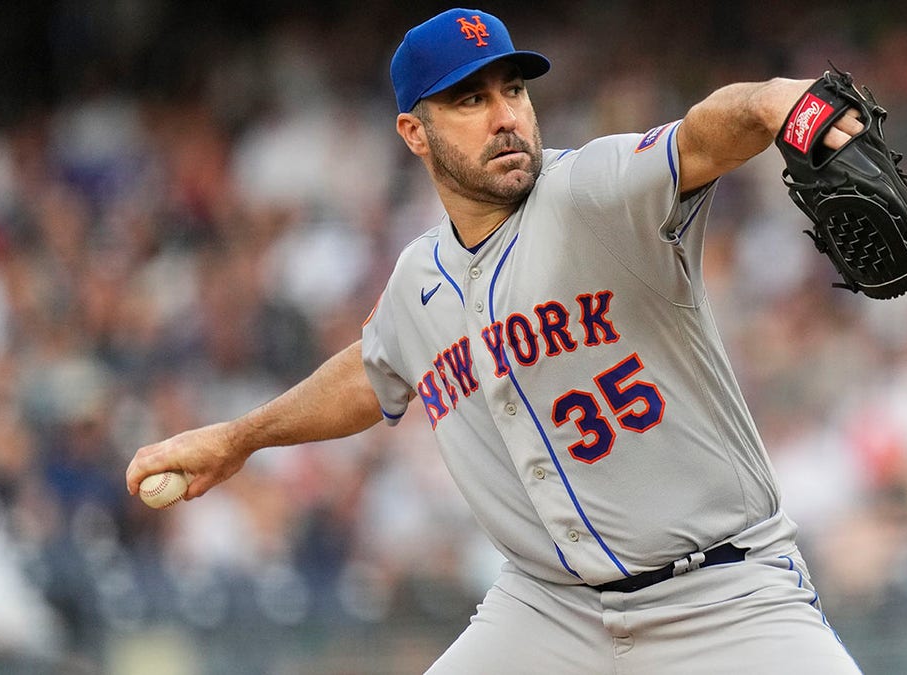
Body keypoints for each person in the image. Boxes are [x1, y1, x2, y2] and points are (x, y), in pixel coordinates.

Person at [127, 7, 866, 673]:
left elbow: (703, 135)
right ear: (414, 132)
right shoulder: (419, 277)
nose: (504, 115)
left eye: (513, 89)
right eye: (469, 99)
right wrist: (239, 438)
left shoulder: (591, 192)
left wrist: (774, 101)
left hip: (724, 594)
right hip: (550, 612)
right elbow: (374, 371)